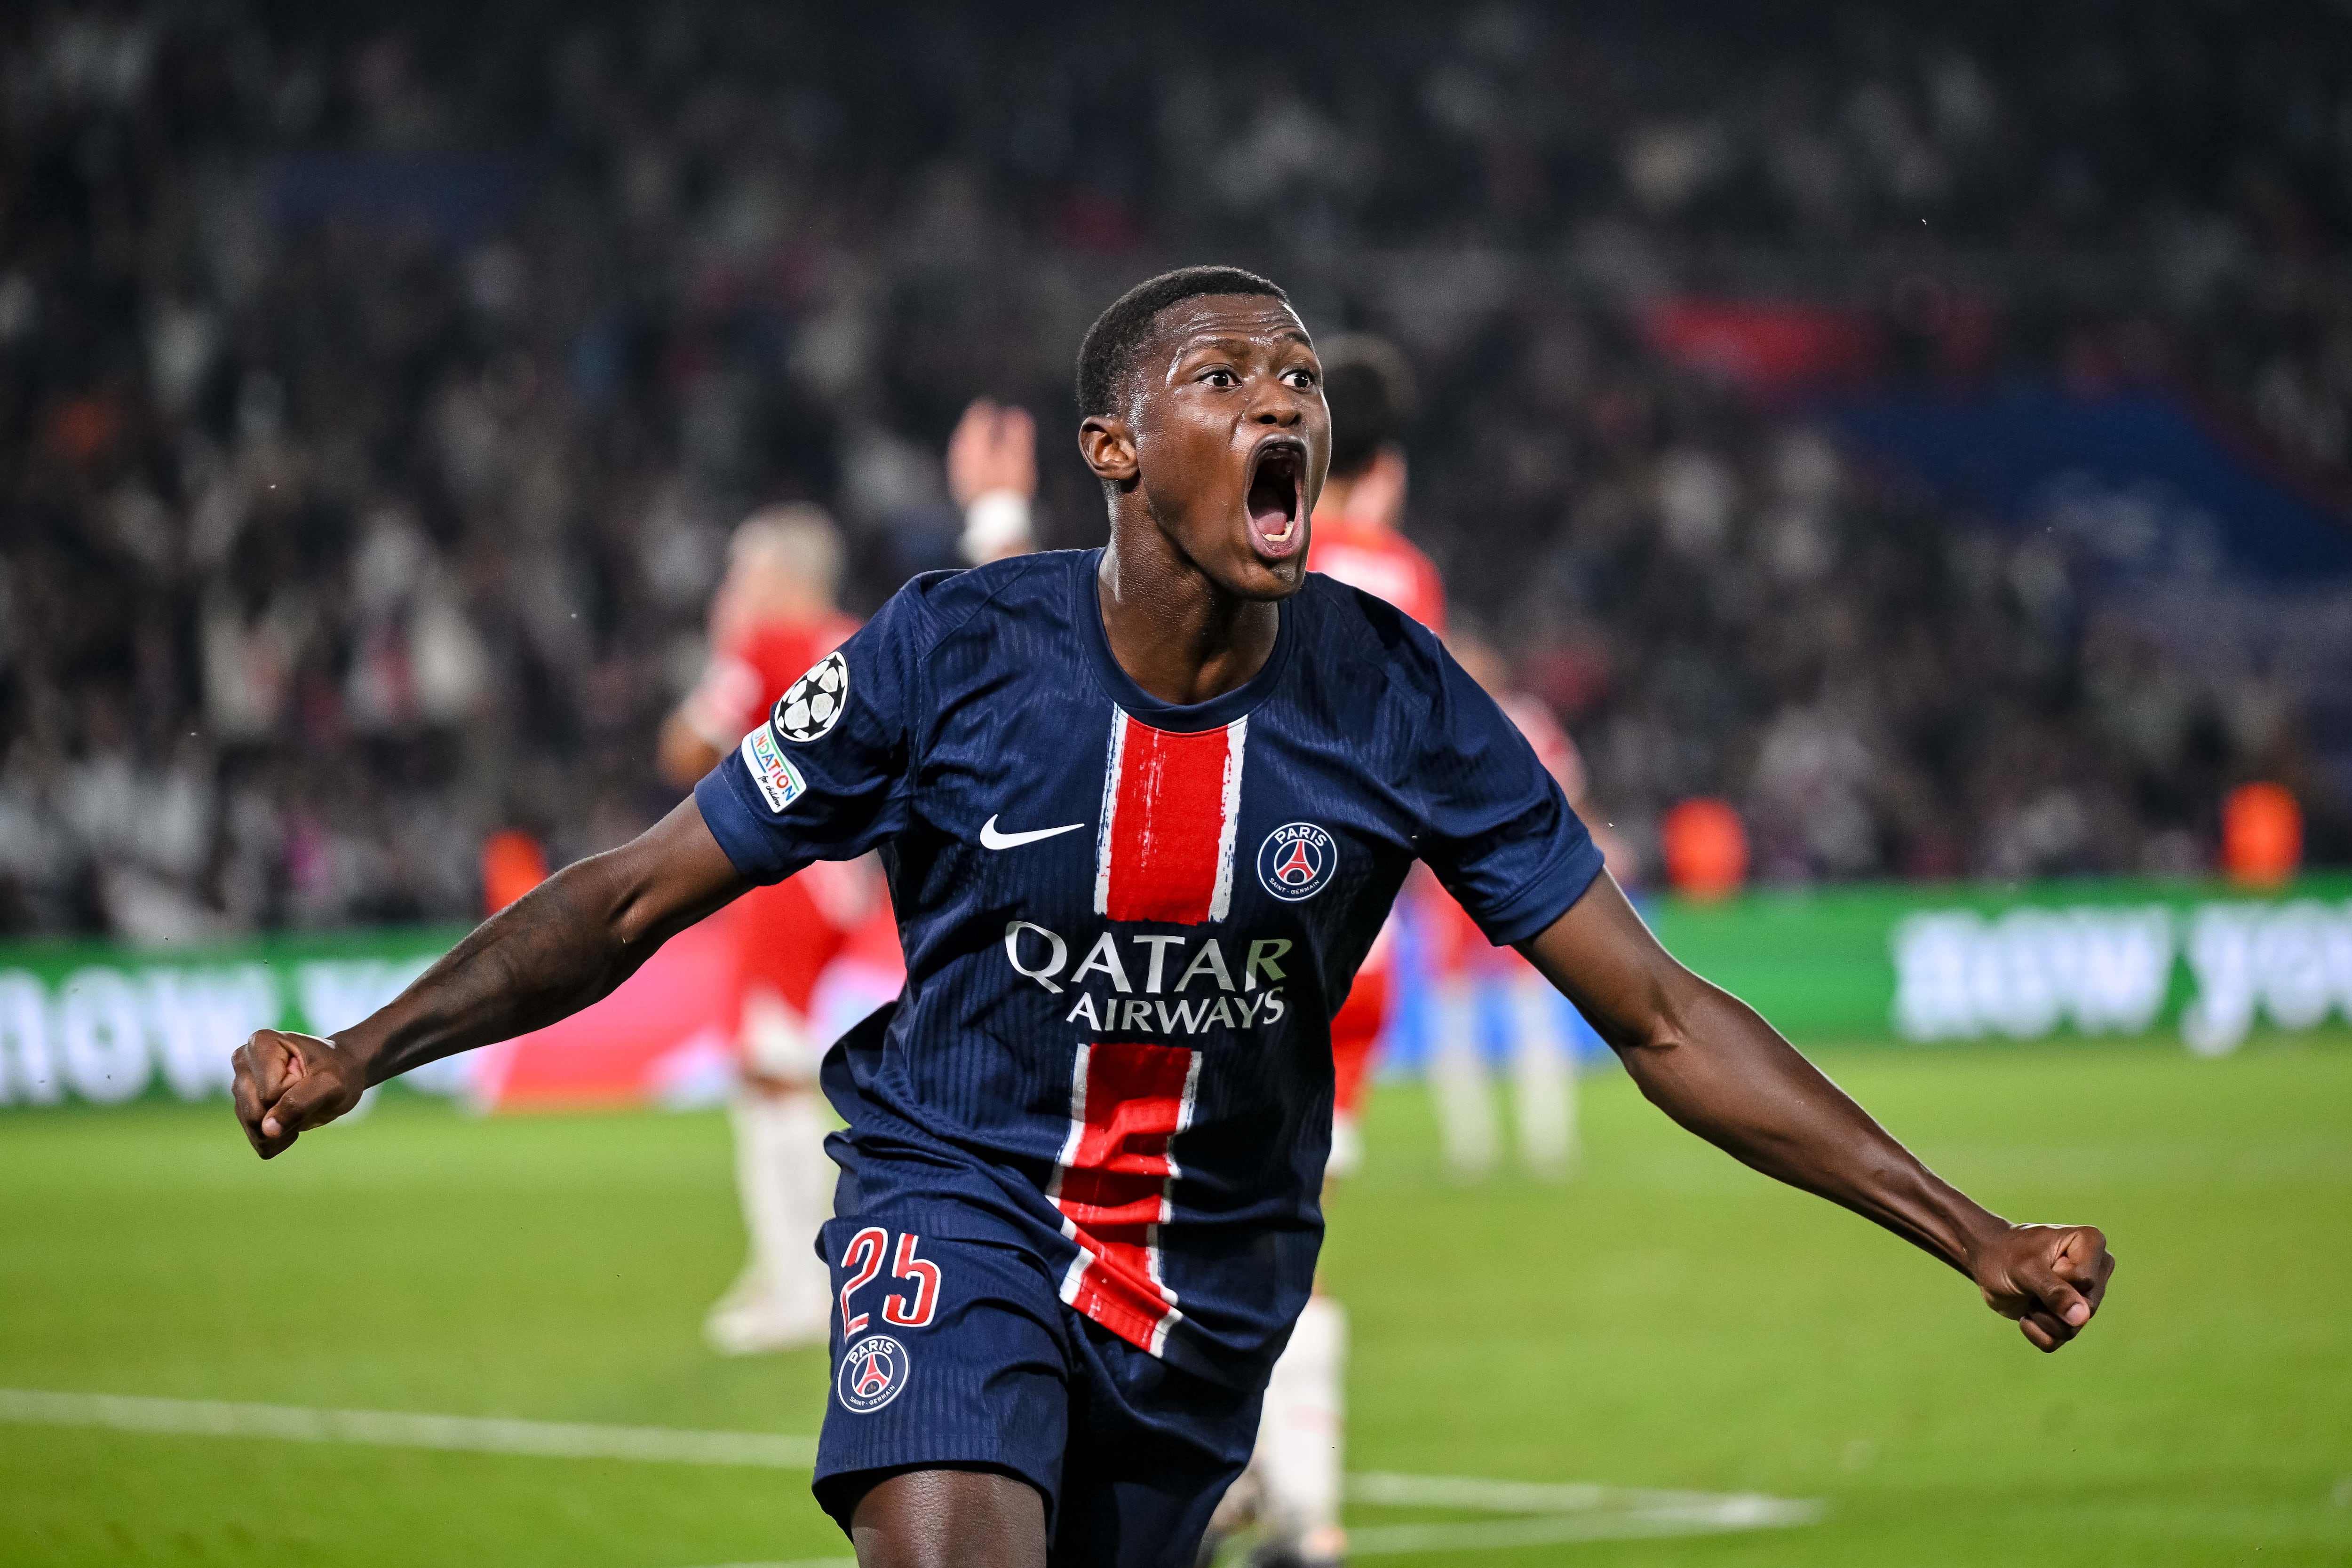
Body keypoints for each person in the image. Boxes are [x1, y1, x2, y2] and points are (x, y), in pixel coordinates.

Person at [233, 266, 2114, 1568]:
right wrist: (362, 1050)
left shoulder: (1398, 698)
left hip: (1212, 1280)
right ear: (1113, 447)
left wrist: (1966, 1230)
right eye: (1221, 377)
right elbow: (641, 884)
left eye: (1294, 378)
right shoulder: (947, 653)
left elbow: (1660, 1015)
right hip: (952, 1190)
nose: (1276, 400)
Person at [659, 506, 877, 1354]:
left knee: (767, 1068)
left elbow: (686, 748)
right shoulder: (860, 638)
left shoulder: (764, 645)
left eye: (744, 574)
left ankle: (803, 1277)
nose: (735, 589)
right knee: (776, 1061)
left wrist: (726, 643)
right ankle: (790, 1266)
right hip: (844, 872)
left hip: (785, 868)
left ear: (780, 578)